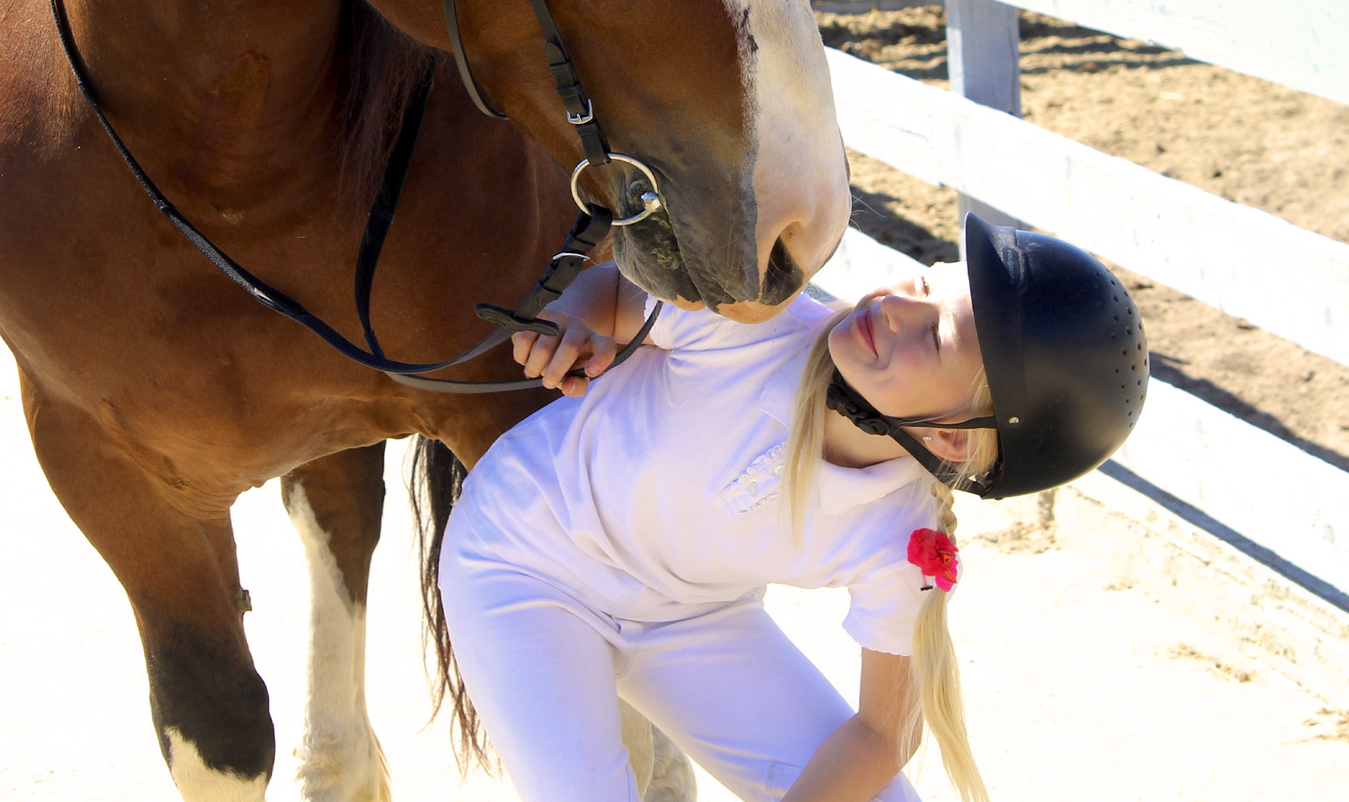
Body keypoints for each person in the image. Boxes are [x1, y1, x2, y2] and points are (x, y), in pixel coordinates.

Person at [434, 214, 1149, 802]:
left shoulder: (905, 540)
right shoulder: (753, 323)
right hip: (524, 566)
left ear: (947, 440)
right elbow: (619, 293)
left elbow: (886, 731)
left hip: (686, 616)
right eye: (926, 281)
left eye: (934, 333)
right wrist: (577, 317)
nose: (896, 305)